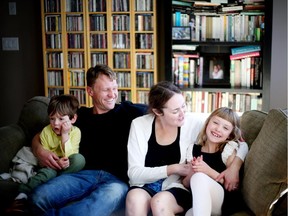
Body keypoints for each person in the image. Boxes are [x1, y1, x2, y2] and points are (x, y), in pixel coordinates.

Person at [29, 64, 147, 216]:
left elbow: (163, 109)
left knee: (91, 209)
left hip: (117, 182)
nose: (113, 94)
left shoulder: (130, 111)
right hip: (81, 175)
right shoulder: (78, 116)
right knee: (37, 197)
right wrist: (39, 150)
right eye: (106, 90)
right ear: (90, 91)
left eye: (115, 88)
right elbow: (40, 135)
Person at [125, 81, 247, 216]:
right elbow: (134, 174)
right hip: (146, 185)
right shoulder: (139, 125)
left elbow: (241, 143)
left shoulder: (194, 123)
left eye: (183, 106)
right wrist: (174, 168)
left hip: (174, 188)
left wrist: (234, 167)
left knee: (159, 202)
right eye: (175, 111)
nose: (182, 114)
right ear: (158, 111)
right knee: (134, 198)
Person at [6, 94, 85, 214]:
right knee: (47, 173)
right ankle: (22, 193)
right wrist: (55, 162)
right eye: (52, 119)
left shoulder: (76, 132)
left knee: (79, 160)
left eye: (61, 119)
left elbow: (71, 155)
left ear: (73, 119)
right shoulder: (46, 131)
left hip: (67, 163)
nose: (56, 123)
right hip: (51, 164)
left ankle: (55, 180)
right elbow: (45, 156)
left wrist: (65, 135)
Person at [183, 107, 248, 216]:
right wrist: (193, 171)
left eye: (225, 128)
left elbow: (232, 186)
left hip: (224, 201)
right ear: (207, 123)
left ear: (230, 134)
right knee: (189, 213)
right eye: (215, 123)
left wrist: (206, 171)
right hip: (202, 201)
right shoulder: (193, 149)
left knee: (199, 177)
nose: (218, 129)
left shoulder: (228, 149)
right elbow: (185, 183)